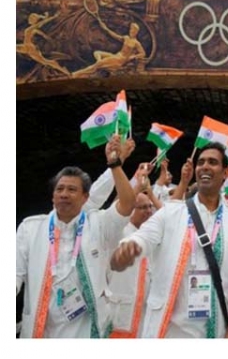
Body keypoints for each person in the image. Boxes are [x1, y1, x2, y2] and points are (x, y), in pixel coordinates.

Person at [110, 142, 228, 338]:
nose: (204, 166)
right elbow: (142, 238)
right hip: (169, 331)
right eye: (201, 162)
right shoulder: (171, 212)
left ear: (225, 173)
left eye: (213, 162)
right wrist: (127, 249)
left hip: (217, 329)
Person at [16, 135, 135, 338]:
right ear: (52, 196)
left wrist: (115, 164)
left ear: (85, 197)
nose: (64, 194)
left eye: (72, 190)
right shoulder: (31, 228)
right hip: (41, 330)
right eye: (59, 189)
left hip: (86, 330)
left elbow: (127, 204)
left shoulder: (97, 223)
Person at [108, 181, 157, 338]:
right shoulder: (118, 232)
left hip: (145, 316)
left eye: (150, 206)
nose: (148, 211)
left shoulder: (153, 236)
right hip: (121, 315)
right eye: (143, 207)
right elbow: (114, 210)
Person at [72, 20, 146, 78]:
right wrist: (106, 29)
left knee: (97, 65)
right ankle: (99, 62)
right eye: (130, 29)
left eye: (133, 30)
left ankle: (77, 74)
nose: (131, 31)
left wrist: (132, 57)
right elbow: (115, 36)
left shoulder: (136, 43)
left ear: (136, 32)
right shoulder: (126, 38)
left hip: (120, 60)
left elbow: (143, 53)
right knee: (97, 53)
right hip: (116, 56)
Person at [17, 11, 71, 76]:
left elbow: (42, 23)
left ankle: (64, 70)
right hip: (26, 47)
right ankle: (62, 70)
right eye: (30, 18)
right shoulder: (33, 30)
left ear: (34, 20)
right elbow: (42, 33)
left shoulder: (30, 29)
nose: (29, 19)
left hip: (30, 48)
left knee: (45, 61)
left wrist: (52, 17)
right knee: (45, 61)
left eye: (31, 18)